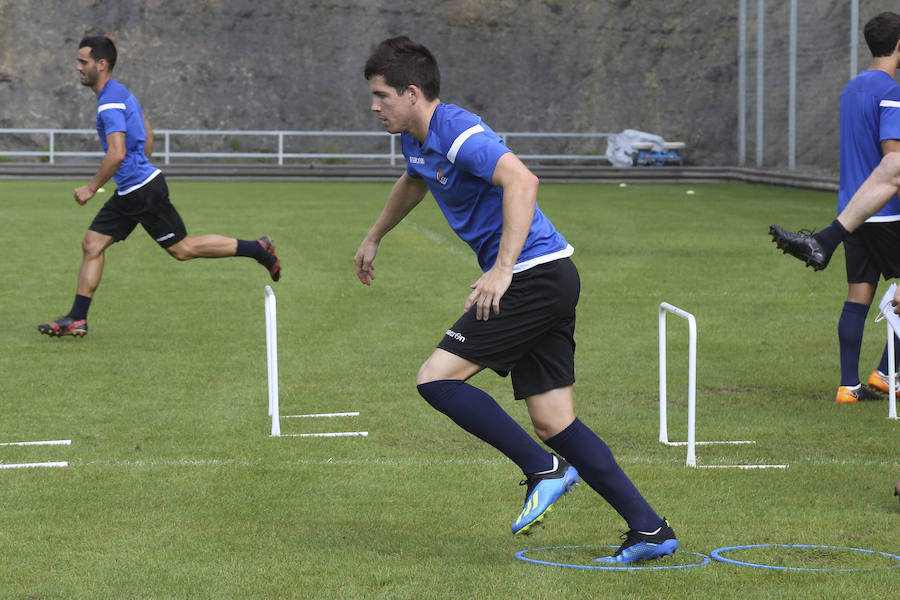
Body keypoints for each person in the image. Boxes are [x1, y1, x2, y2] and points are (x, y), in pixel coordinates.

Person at [353, 36, 677, 564]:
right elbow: (413, 182)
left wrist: (501, 270)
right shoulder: (417, 140)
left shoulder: (456, 131)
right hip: (548, 278)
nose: (374, 106)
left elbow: (522, 180)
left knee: (436, 378)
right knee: (555, 422)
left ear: (412, 93)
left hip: (532, 276)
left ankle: (542, 469)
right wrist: (374, 236)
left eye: (381, 95)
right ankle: (650, 529)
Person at [38, 36, 281, 338]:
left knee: (183, 249)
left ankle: (257, 249)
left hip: (141, 191)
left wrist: (91, 187)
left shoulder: (109, 104)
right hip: (132, 190)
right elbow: (147, 130)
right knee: (93, 244)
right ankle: (77, 318)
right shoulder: (122, 93)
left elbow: (116, 153)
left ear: (101, 65)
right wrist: (139, 167)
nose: (78, 68)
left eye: (83, 62)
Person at [770, 12, 900, 403]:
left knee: (858, 295)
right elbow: (892, 160)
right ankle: (887, 372)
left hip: (852, 209)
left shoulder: (851, 88)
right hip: (888, 209)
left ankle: (849, 385)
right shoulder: (892, 92)